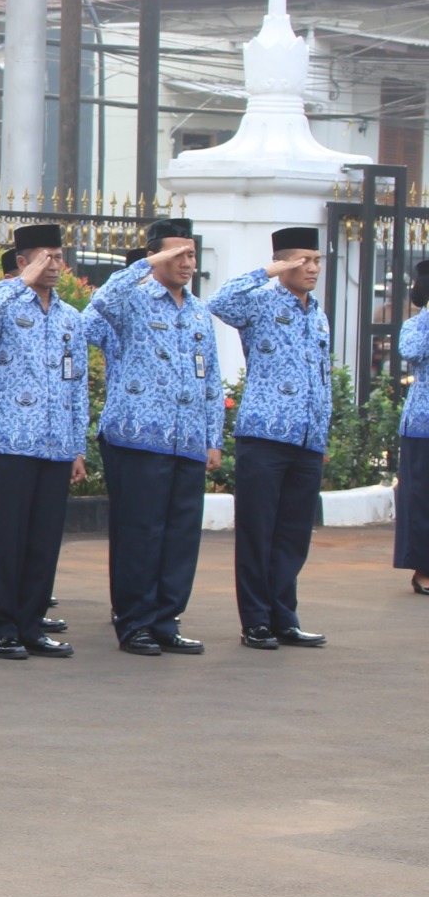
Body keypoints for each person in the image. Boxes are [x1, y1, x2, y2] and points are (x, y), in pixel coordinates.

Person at [82, 218, 224, 658]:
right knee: (140, 534)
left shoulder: (198, 310)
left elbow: (212, 377)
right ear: (155, 256)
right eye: (176, 254)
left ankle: (166, 620)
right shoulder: (134, 300)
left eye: (191, 254)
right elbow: (101, 300)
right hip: (138, 438)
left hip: (188, 440)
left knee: (181, 536)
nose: (186, 262)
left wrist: (212, 436)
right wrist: (147, 264)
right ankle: (135, 622)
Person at [0, 226, 87, 660]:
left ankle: (31, 625)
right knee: (5, 539)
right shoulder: (4, 307)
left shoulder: (70, 318)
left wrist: (77, 445)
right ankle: (1, 627)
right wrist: (21, 284)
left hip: (54, 445)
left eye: (58, 257)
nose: (54, 266)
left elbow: (78, 385)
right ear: (22, 261)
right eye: (44, 258)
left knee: (43, 541)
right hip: (8, 441)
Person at [209, 227, 331, 650]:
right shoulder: (260, 302)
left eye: (316, 260)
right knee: (258, 532)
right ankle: (256, 620)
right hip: (264, 435)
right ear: (283, 263)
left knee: (293, 534)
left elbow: (323, 377)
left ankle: (285, 616)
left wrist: (322, 431)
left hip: (307, 440)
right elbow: (220, 301)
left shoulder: (317, 311)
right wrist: (267, 271)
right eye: (303, 260)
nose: (312, 268)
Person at [394, 261, 429, 594]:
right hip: (423, 425)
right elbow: (411, 352)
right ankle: (423, 568)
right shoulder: (415, 326)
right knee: (421, 499)